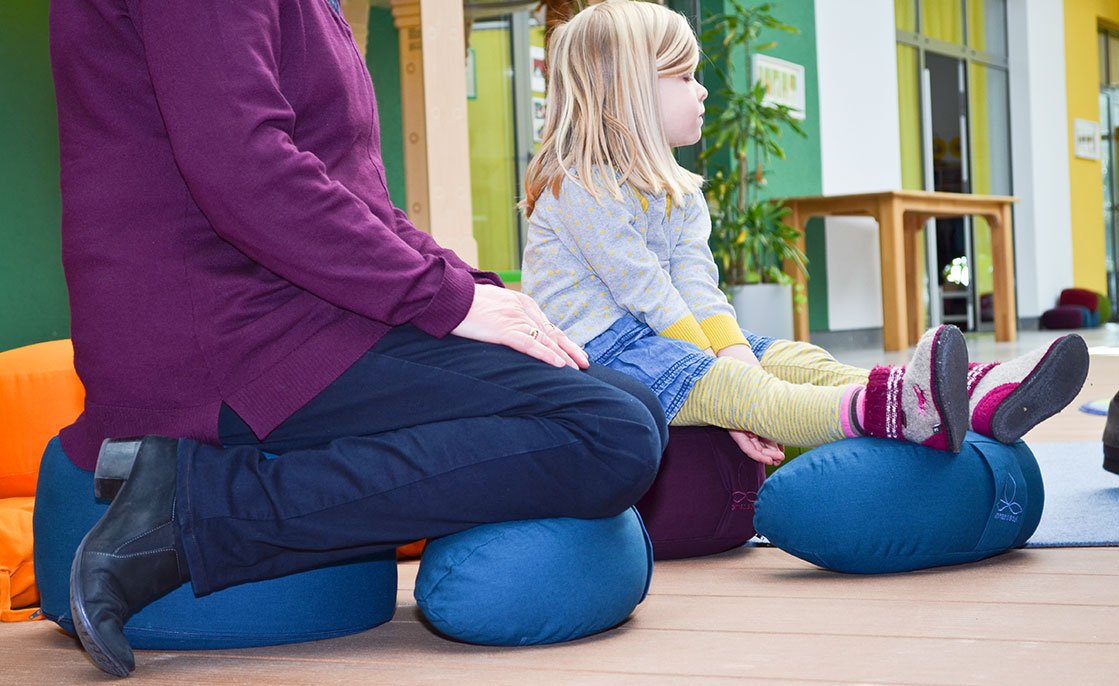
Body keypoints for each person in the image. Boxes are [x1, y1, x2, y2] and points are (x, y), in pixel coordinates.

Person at [51, 0, 667, 678]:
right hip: (215, 338)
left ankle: (205, 504)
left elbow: (356, 195)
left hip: (299, 310)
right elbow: (243, 167)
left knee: (630, 405)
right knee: (608, 431)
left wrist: (472, 289)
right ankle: (192, 513)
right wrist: (444, 300)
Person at [520, 0, 1089, 467]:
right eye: (686, 77)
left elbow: (695, 283)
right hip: (602, 353)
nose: (703, 91)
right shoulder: (581, 186)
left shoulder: (680, 191)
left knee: (797, 359)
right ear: (629, 90)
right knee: (749, 391)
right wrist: (732, 383)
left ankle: (968, 392)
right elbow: (646, 290)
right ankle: (891, 412)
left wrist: (738, 351)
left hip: (668, 334)